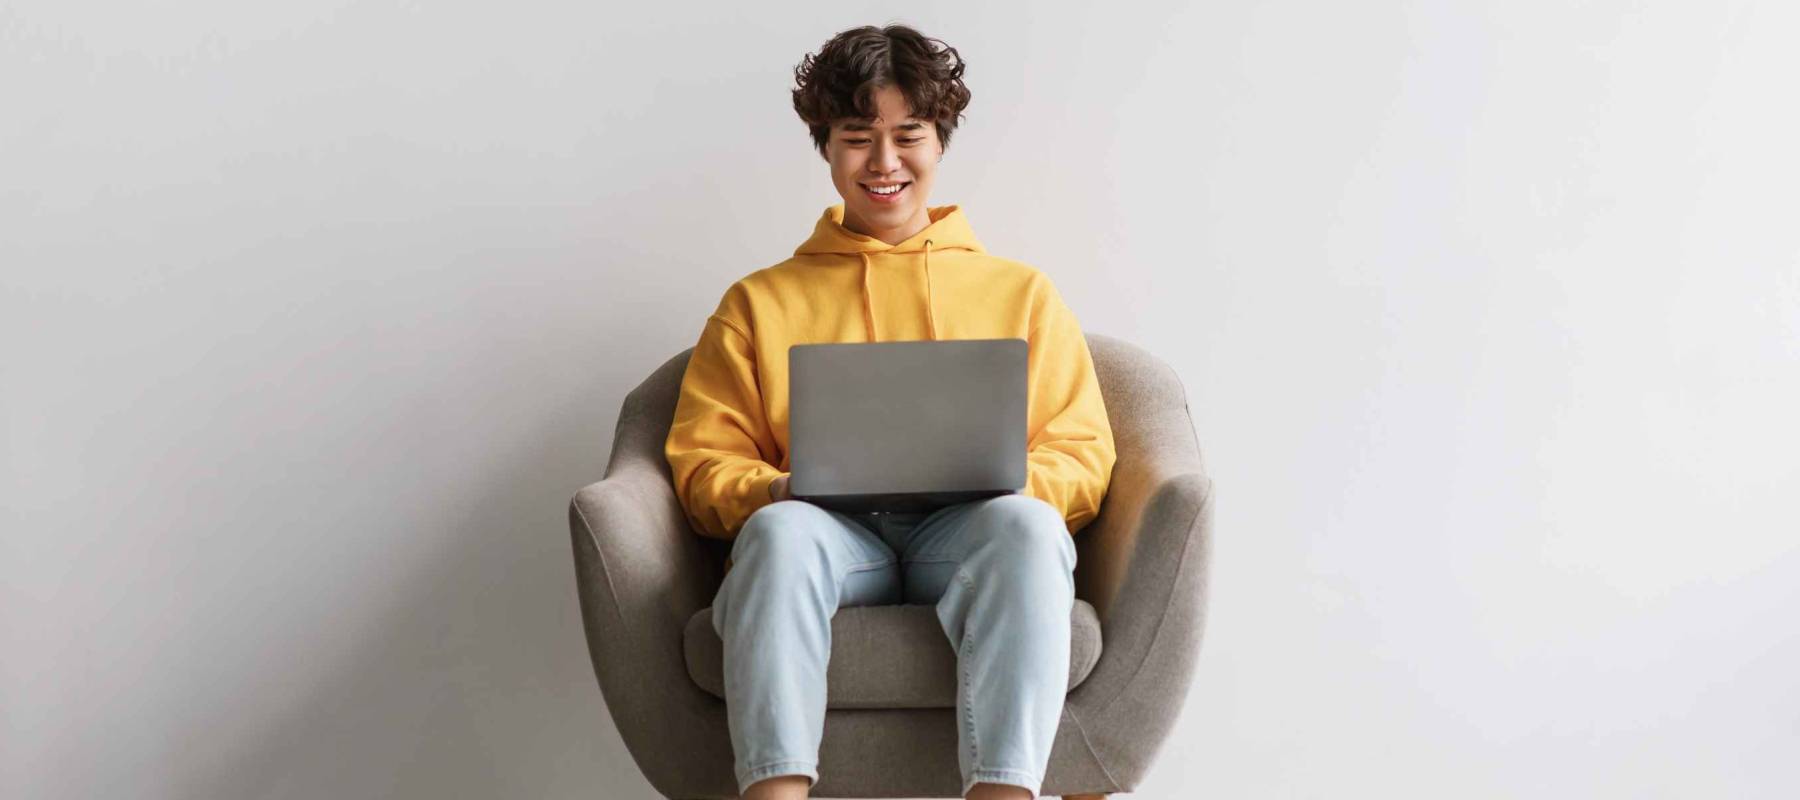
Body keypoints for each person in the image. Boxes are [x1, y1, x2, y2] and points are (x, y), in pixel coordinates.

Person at [663, 23, 1116, 800]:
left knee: (1029, 527)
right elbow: (704, 463)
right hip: (832, 541)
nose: (884, 163)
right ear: (825, 147)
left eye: (908, 135)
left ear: (939, 142)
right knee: (777, 531)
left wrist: (1009, 481)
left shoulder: (1022, 294)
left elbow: (1082, 452)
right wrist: (773, 489)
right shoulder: (758, 302)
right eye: (856, 138)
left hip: (966, 537)